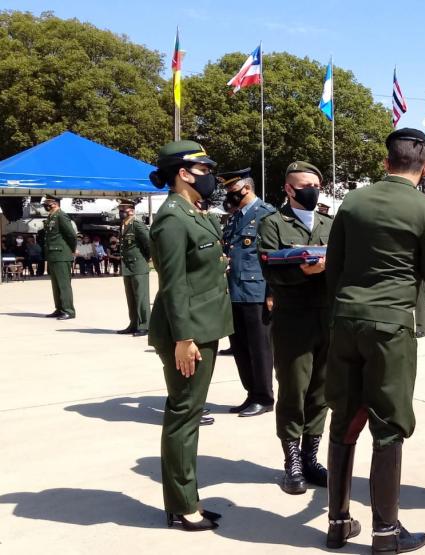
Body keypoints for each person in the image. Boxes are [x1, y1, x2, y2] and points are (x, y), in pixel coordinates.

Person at [323, 128, 425, 553]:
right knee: (388, 424)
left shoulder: (352, 202)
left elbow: (334, 265)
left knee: (342, 418)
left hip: (345, 320)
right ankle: (385, 532)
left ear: (386, 163)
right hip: (390, 327)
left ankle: (338, 522)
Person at [147, 140, 232, 532]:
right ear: (184, 173)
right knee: (184, 416)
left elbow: (199, 267)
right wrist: (183, 339)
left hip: (203, 326)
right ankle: (181, 506)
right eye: (204, 170)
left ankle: (187, 498)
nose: (210, 177)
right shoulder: (171, 219)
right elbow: (173, 285)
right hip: (189, 334)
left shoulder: (192, 213)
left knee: (190, 414)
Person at [258, 161, 334, 494]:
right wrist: (303, 273)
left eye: (317, 185)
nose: (313, 190)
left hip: (327, 318)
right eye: (306, 185)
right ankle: (292, 462)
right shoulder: (272, 224)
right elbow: (269, 268)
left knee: (321, 392)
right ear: (289, 189)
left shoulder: (331, 224)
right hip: (293, 320)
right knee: (293, 391)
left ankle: (311, 458)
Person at [219, 168, 277, 419]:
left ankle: (264, 397)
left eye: (232, 190)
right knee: (240, 347)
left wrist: (272, 293)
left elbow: (272, 257)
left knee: (260, 348)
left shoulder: (265, 214)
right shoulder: (234, 217)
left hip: (257, 291)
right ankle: (251, 393)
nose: (229, 195)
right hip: (234, 290)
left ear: (246, 188)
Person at [115, 199, 151, 337]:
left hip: (138, 264)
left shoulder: (137, 224)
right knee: (131, 297)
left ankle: (145, 325)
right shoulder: (123, 225)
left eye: (123, 208)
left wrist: (147, 258)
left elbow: (149, 243)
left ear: (131, 210)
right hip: (127, 265)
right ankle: (134, 323)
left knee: (141, 296)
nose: (121, 211)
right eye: (120, 208)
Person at [42, 195, 77, 319]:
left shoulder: (61, 215)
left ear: (55, 203)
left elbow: (72, 235)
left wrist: (72, 250)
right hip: (53, 254)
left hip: (62, 254)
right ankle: (59, 308)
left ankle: (69, 310)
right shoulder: (51, 216)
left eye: (48, 202)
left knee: (63, 284)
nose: (45, 205)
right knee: (56, 284)